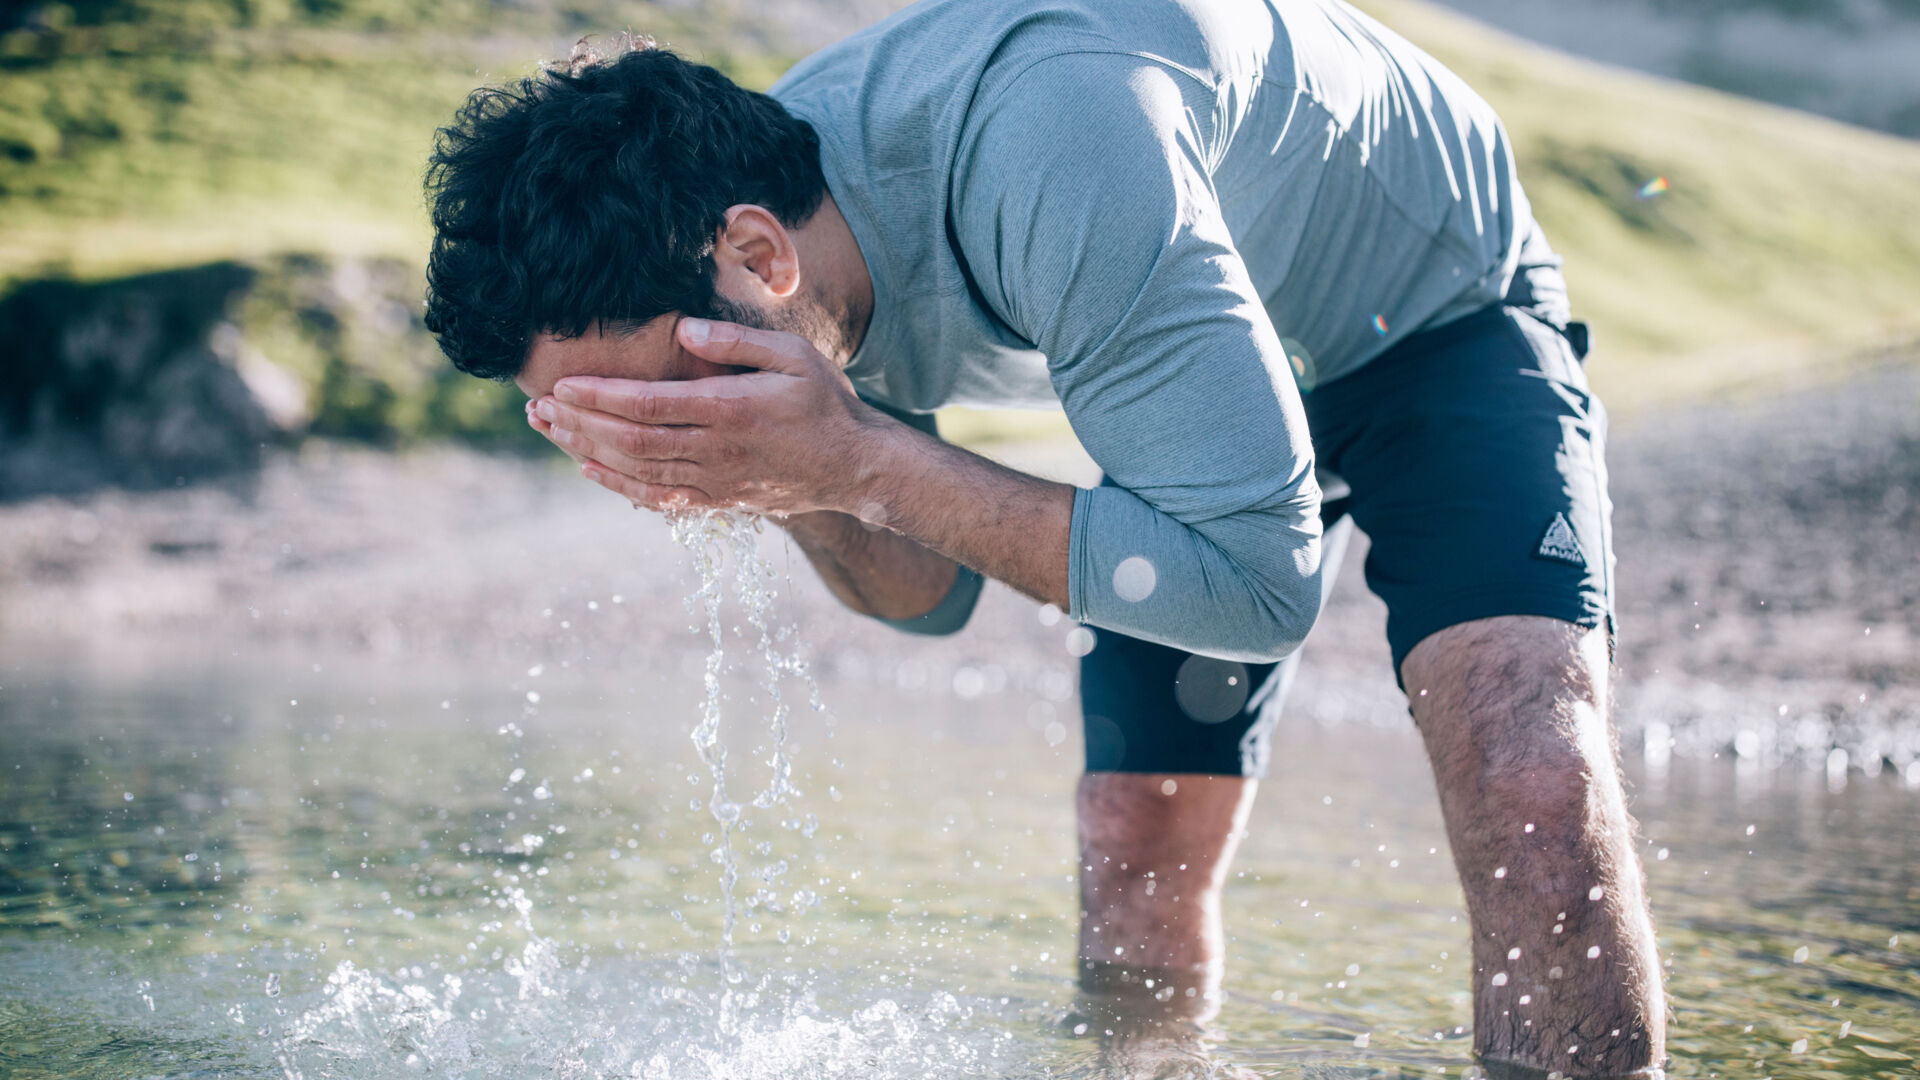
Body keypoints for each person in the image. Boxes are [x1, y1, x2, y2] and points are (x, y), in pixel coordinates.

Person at [422, 1, 1664, 1074]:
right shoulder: (775, 240)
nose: (671, 432)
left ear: (759, 256)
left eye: (670, 398)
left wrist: (852, 458)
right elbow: (923, 591)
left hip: (1427, 320)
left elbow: (1258, 583)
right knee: (1135, 835)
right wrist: (776, 478)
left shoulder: (1054, 147)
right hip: (1183, 354)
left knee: (1533, 775)